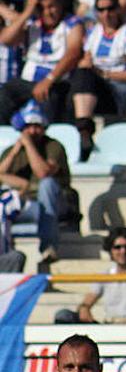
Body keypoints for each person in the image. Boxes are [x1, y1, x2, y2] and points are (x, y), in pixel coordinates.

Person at [0, 107, 70, 268]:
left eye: (37, 126)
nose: (32, 131)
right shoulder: (11, 151)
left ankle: (48, 248)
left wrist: (29, 145)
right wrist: (15, 152)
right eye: (28, 126)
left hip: (53, 203)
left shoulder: (53, 147)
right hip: (23, 204)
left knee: (47, 185)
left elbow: (43, 172)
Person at [0, 0, 83, 124]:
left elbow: (73, 53)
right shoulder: (33, 23)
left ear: (59, 5)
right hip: (28, 83)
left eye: (51, 7)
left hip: (56, 82)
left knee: (49, 98)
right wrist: (28, 11)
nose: (48, 12)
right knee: (6, 93)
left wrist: (48, 80)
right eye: (42, 8)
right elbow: (5, 39)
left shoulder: (72, 24)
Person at [70, 0, 126, 122]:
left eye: (110, 9)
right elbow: (85, 61)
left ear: (118, 9)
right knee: (79, 77)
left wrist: (106, 75)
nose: (106, 14)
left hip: (118, 85)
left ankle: (83, 124)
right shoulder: (93, 32)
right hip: (95, 84)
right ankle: (83, 125)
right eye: (101, 10)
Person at [54, 228, 126, 324]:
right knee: (63, 315)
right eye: (117, 247)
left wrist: (119, 327)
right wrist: (84, 309)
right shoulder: (106, 274)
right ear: (110, 250)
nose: (123, 251)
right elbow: (88, 301)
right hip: (107, 326)